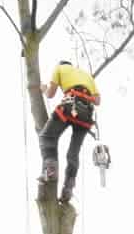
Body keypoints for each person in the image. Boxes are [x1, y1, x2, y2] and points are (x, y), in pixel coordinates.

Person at [38, 60, 100, 203]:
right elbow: (97, 101)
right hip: (86, 115)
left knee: (47, 137)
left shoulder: (59, 68)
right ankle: (68, 187)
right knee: (73, 153)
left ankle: (50, 168)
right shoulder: (86, 75)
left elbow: (50, 94)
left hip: (69, 107)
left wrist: (43, 88)